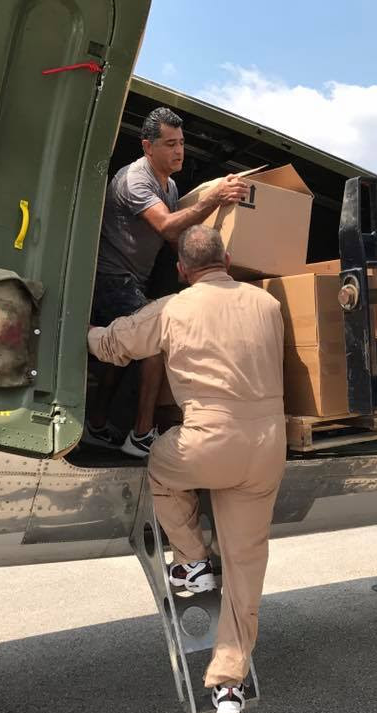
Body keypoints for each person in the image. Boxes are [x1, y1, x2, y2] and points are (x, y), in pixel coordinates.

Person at [88, 225, 286, 713]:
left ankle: (192, 559)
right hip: (266, 448)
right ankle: (228, 688)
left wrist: (82, 332)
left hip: (206, 444)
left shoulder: (172, 307)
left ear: (180, 269)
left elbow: (115, 346)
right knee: (245, 570)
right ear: (230, 258)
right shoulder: (268, 305)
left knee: (160, 462)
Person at [87, 106, 249, 457]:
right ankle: (141, 435)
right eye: (170, 144)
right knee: (158, 336)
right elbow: (166, 227)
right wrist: (214, 199)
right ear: (148, 147)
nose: (179, 151)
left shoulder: (170, 185)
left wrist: (208, 271)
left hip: (133, 280)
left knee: (119, 355)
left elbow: (177, 241)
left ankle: (96, 425)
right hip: (111, 278)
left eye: (182, 143)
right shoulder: (135, 180)